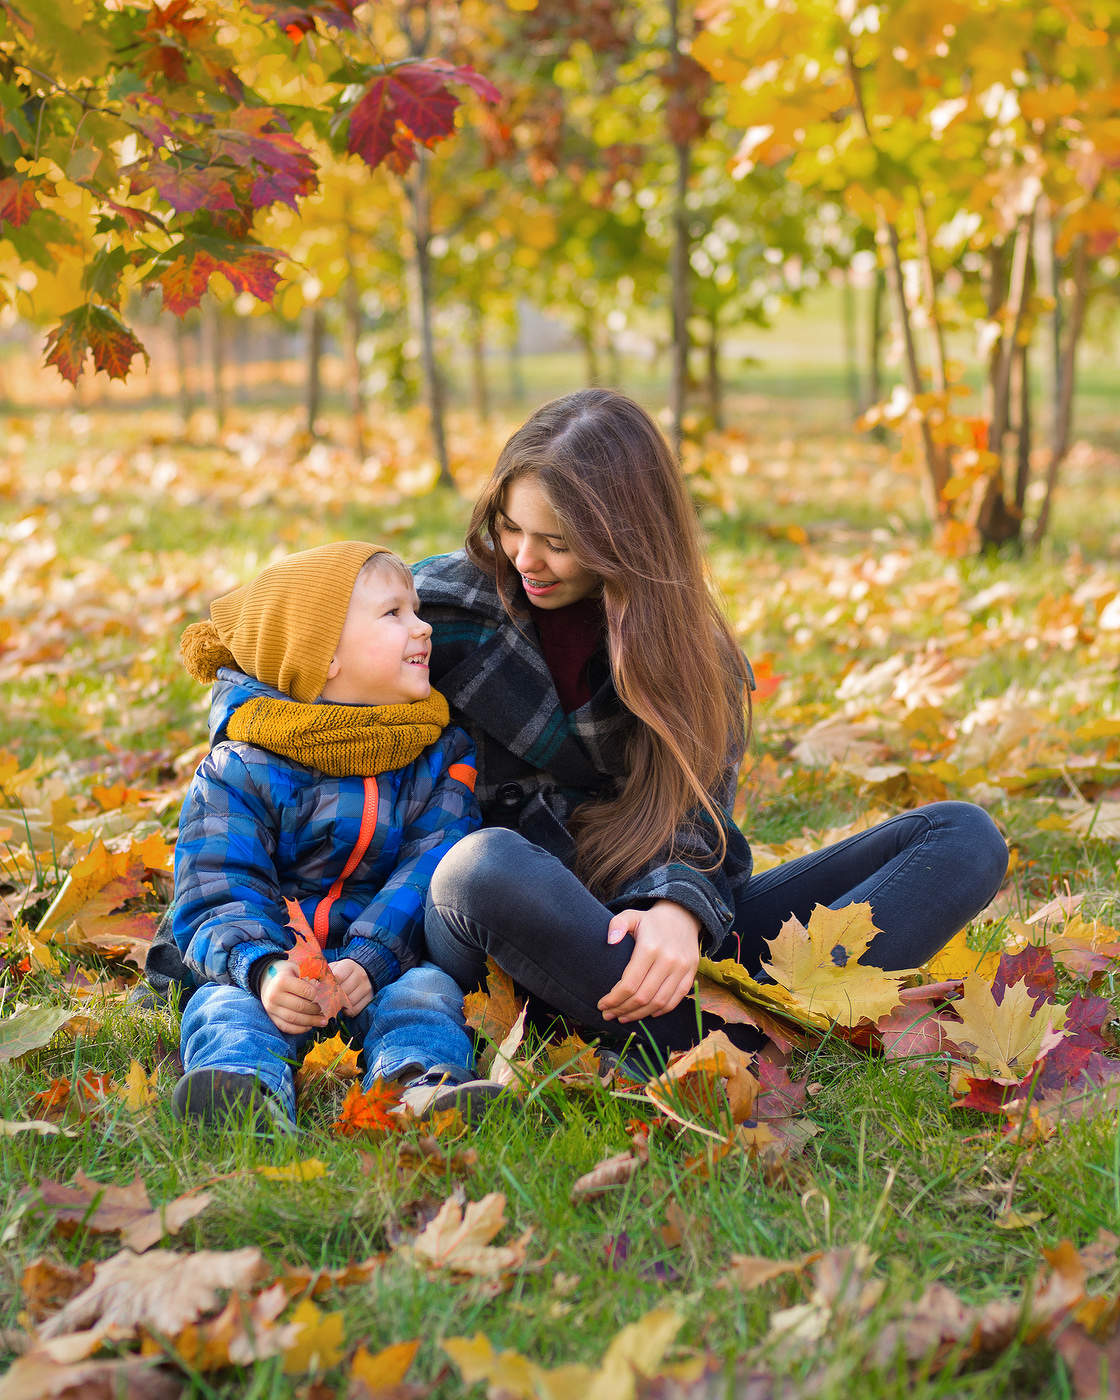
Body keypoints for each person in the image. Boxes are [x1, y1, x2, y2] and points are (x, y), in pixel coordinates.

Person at [414, 389, 1009, 1069]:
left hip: (642, 937)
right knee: (480, 867)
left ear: (627, 540)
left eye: (559, 543)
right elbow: (292, 678)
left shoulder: (691, 652)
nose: (525, 559)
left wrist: (678, 911)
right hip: (502, 938)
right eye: (511, 527)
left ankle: (724, 1036)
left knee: (962, 838)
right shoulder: (439, 610)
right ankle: (746, 1049)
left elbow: (697, 813)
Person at [162, 541, 499, 1128]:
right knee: (221, 1007)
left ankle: (418, 1086)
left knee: (427, 995)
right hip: (274, 974)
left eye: (416, 610)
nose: (422, 629)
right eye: (394, 614)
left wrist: (371, 959)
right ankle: (244, 1091)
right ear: (324, 657)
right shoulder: (243, 765)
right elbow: (216, 886)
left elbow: (430, 865)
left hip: (382, 968)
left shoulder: (438, 752)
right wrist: (263, 968)